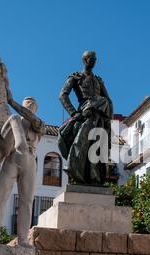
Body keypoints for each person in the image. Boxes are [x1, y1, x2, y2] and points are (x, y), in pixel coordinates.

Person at [0, 97, 45, 247]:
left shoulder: (39, 123)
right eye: (27, 102)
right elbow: (1, 143)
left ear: (35, 109)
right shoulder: (13, 119)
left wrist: (11, 102)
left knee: (26, 201)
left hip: (30, 160)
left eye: (32, 103)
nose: (30, 103)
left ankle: (23, 240)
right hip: (11, 159)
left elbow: (32, 119)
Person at [58, 51, 113, 185]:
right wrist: (73, 113)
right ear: (85, 60)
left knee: (98, 147)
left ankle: (95, 177)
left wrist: (108, 118)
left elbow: (108, 101)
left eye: (95, 58)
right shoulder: (76, 77)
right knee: (81, 143)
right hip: (85, 113)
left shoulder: (98, 80)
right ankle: (75, 172)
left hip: (100, 117)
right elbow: (62, 95)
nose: (94, 60)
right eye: (91, 58)